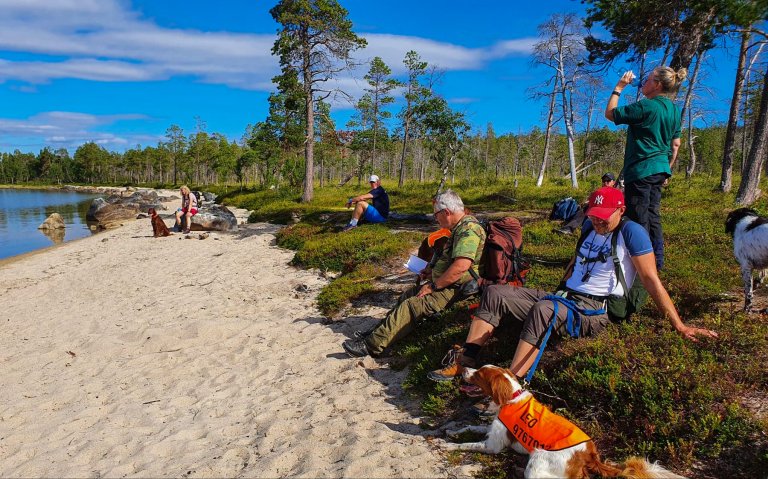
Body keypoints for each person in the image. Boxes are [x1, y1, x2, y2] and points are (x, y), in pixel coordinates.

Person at [428, 186, 717, 383]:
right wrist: (559, 287)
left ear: (621, 210)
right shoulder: (590, 226)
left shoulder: (633, 233)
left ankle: (511, 387)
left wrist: (679, 325)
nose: (599, 223)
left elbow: (652, 280)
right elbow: (574, 263)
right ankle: (466, 362)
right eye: (594, 216)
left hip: (598, 309)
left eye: (604, 218)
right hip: (568, 296)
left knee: (544, 310)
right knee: (494, 293)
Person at [343, 189, 486, 358]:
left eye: (436, 215)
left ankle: (372, 346)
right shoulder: (460, 228)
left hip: (458, 288)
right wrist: (431, 270)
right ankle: (377, 332)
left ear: (447, 212)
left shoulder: (469, 229)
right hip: (448, 284)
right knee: (409, 295)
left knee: (412, 305)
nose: (436, 219)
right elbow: (450, 260)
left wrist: (433, 286)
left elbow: (461, 266)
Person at [605, 67, 687, 271]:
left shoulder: (646, 106)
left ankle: (641, 266)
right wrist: (666, 169)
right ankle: (657, 262)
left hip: (641, 169)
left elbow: (610, 114)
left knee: (638, 218)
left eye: (648, 80)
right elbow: (675, 144)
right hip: (659, 168)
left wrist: (619, 87)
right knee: (653, 215)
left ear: (657, 85)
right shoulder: (673, 110)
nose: (643, 83)